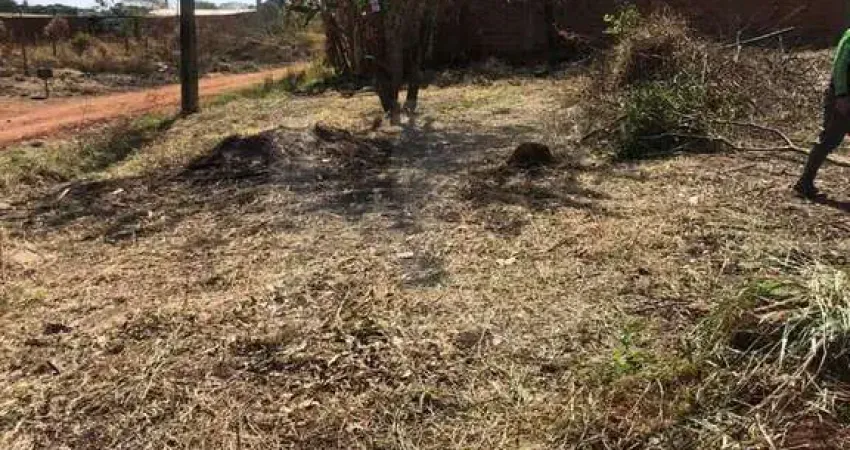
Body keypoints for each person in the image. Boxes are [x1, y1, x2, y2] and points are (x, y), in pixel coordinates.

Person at [795, 29, 850, 198]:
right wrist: (841, 95)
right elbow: (839, 66)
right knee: (830, 139)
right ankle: (805, 182)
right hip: (843, 96)